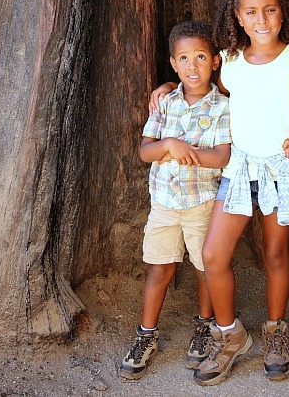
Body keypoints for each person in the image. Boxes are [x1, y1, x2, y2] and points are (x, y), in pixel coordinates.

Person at [150, 0, 289, 386]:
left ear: (283, 13)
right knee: (213, 254)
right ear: (238, 18)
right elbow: (205, 87)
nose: (261, 20)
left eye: (270, 10)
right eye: (251, 12)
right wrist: (170, 84)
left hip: (279, 171)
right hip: (239, 169)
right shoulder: (231, 61)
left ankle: (275, 331)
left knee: (274, 253)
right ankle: (231, 336)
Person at [118, 21, 233, 381]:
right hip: (164, 203)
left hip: (202, 202)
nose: (192, 66)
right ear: (173, 63)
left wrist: (184, 152)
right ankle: (146, 335)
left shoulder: (222, 107)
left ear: (215, 61)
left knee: (205, 267)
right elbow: (146, 151)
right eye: (184, 58)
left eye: (200, 57)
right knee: (160, 268)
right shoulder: (165, 103)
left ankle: (205, 325)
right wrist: (169, 144)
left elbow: (222, 157)